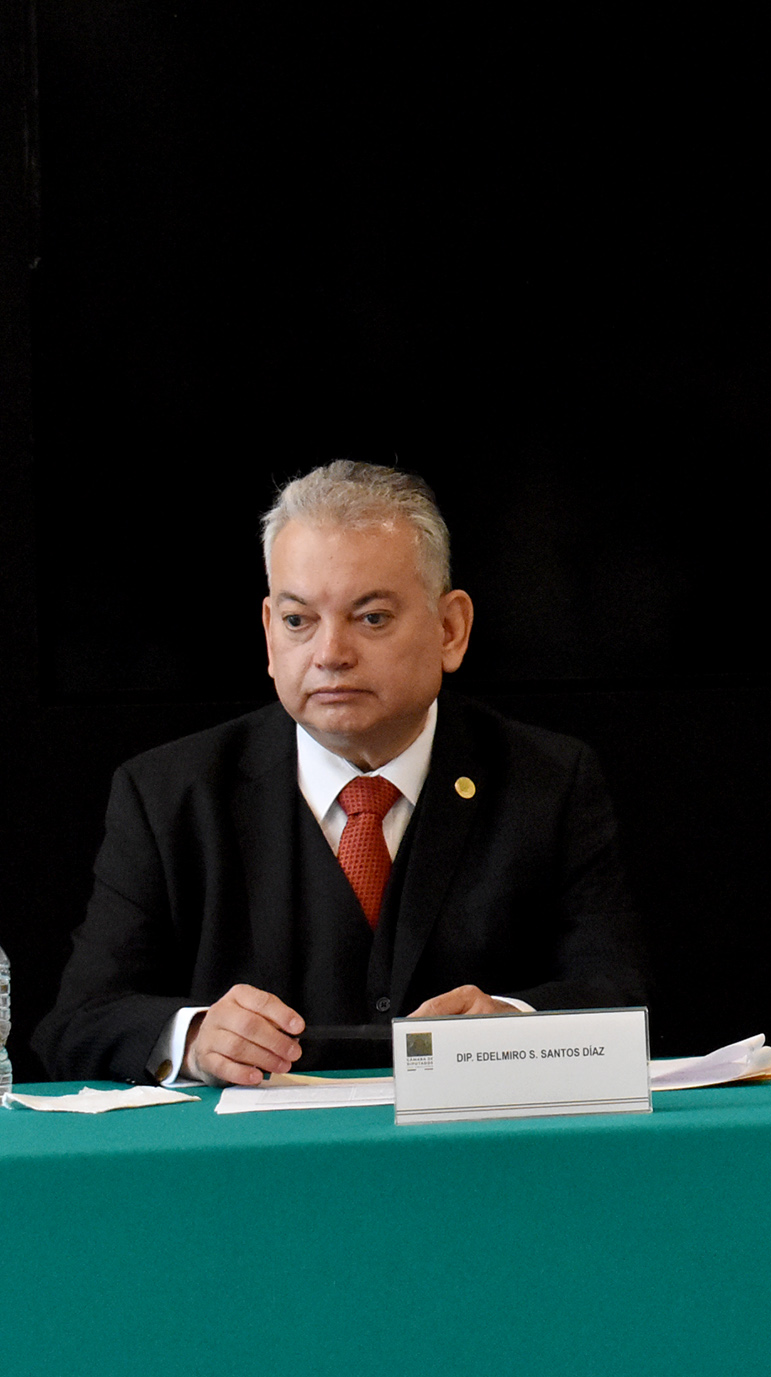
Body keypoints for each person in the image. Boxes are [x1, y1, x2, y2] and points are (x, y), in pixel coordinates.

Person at [34, 461, 646, 1085]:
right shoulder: (169, 795)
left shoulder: (549, 782)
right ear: (269, 635)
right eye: (299, 621)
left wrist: (513, 1026)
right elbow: (76, 1024)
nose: (330, 654)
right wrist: (192, 1039)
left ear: (450, 630)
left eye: (371, 617)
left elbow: (622, 1000)